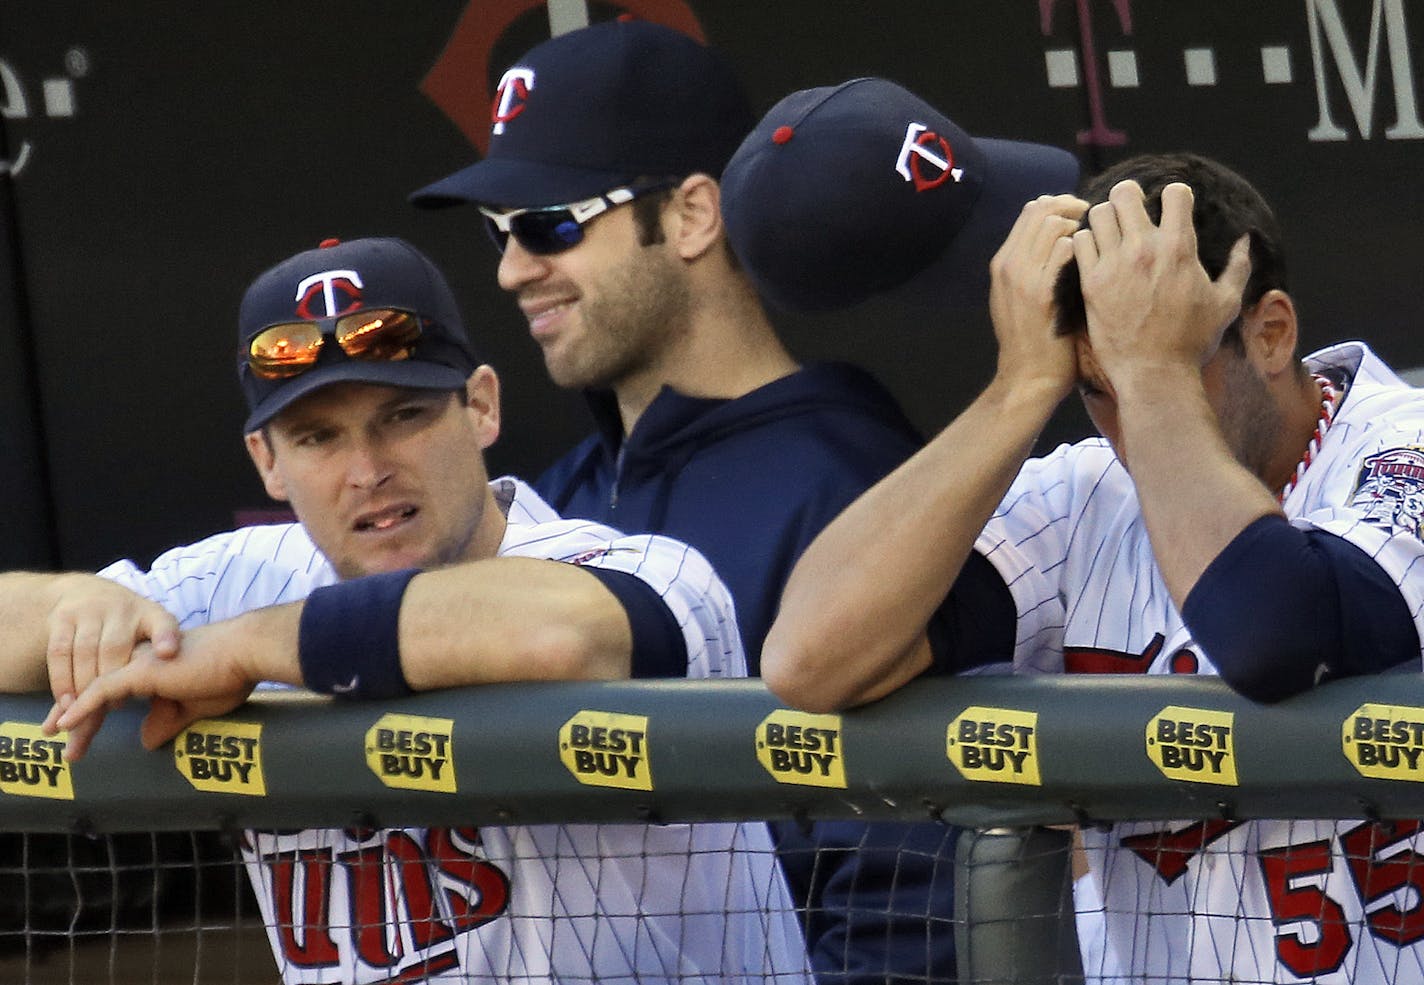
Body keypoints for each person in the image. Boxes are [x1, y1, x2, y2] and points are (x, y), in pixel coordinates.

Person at [410, 21, 1081, 982]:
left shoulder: (849, 483)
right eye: (497, 232)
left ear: (691, 214)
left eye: (551, 223)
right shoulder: (547, 500)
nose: (513, 267)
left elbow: (906, 893)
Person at [0, 236, 812, 985]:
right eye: (317, 437)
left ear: (482, 407)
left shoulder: (634, 569)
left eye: (405, 416)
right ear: (268, 463)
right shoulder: (231, 582)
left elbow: (553, 633)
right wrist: (72, 601)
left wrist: (252, 649)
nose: (368, 468)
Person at [759, 150, 1424, 983]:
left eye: (1176, 364)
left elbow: (1276, 631)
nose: (1125, 424)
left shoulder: (1399, 445)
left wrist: (1150, 373)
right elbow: (809, 658)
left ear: (1272, 331)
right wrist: (1017, 388)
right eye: (1096, 389)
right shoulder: (1081, 497)